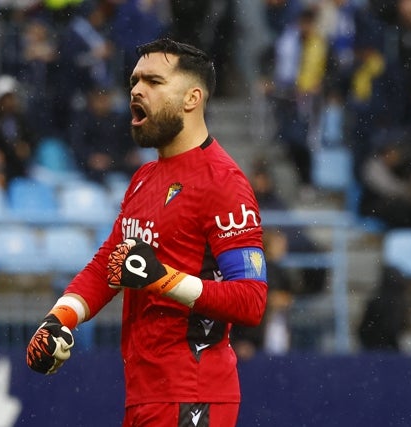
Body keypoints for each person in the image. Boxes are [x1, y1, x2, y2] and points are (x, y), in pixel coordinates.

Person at [26, 38, 268, 427]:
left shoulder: (223, 182)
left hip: (194, 396)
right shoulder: (144, 178)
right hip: (146, 397)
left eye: (154, 81)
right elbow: (110, 262)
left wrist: (163, 279)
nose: (136, 90)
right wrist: (59, 318)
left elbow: (251, 301)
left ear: (192, 98)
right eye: (136, 80)